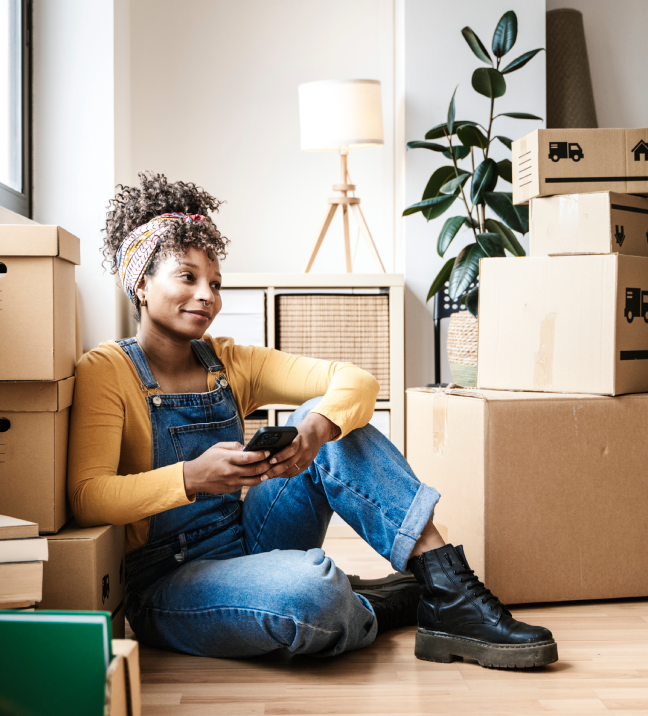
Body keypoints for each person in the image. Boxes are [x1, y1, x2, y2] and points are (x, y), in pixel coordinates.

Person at [67, 172, 556, 669]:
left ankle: (448, 588)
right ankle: (372, 604)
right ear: (141, 284)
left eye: (214, 283)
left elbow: (356, 381)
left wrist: (315, 430)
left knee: (335, 421)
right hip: (165, 583)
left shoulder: (229, 362)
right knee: (311, 591)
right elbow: (87, 497)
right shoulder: (106, 371)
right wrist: (192, 477)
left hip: (245, 538)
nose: (207, 296)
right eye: (187, 277)